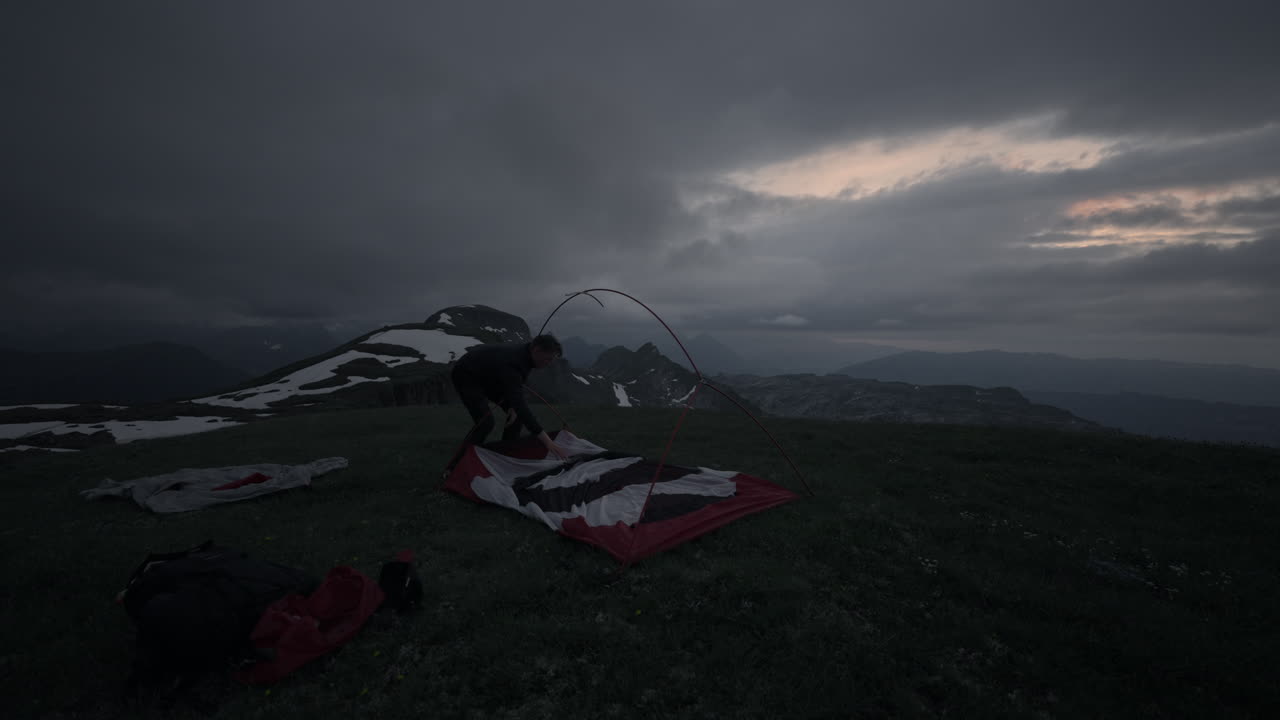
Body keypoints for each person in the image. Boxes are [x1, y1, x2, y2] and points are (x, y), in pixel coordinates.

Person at [445, 334, 570, 474]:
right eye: (548, 359)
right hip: (466, 374)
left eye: (552, 360)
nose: (549, 363)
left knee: (515, 417)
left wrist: (513, 406)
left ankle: (506, 455)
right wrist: (548, 442)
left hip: (490, 376)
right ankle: (456, 466)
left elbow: (515, 385)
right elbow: (521, 405)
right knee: (485, 422)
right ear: (537, 350)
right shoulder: (515, 362)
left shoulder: (527, 355)